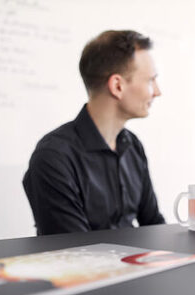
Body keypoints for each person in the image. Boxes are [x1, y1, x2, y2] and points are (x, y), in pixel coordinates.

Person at [23, 30, 166, 235]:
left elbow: (153, 224)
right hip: (92, 267)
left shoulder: (132, 145)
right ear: (117, 86)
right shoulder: (53, 157)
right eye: (150, 80)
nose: (157, 91)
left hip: (135, 265)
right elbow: (76, 252)